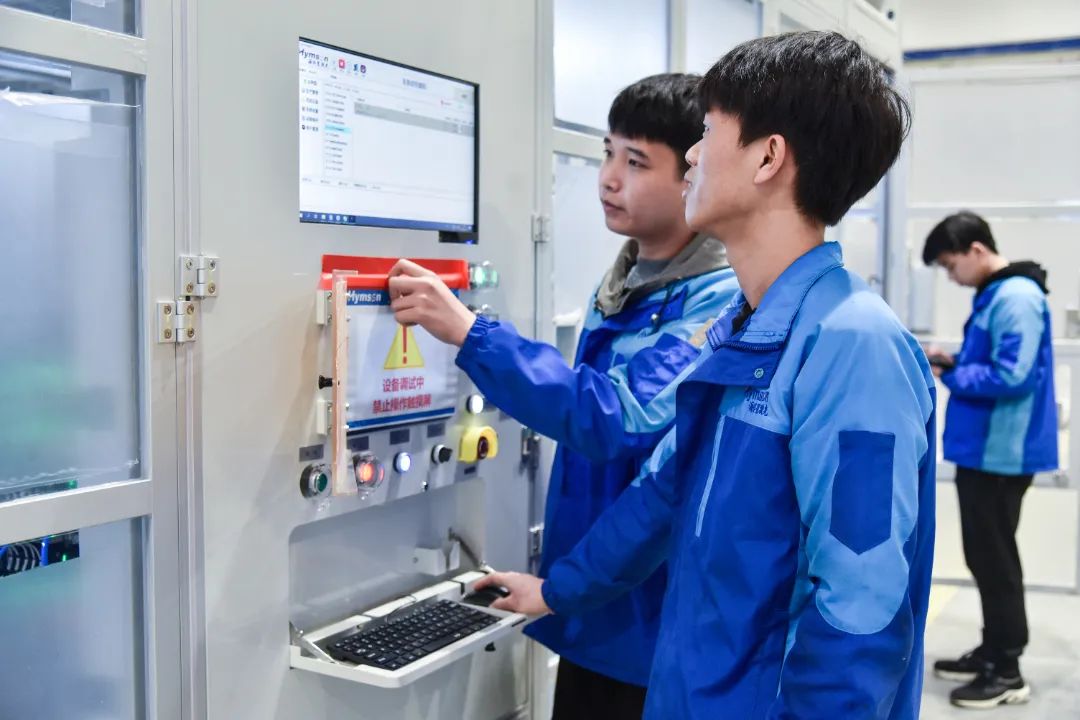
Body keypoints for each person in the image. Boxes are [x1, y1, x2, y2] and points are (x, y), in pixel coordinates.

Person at [474, 31, 937, 719]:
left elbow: (859, 610)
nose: (692, 154)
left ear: (768, 157)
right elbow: (660, 497)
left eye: (709, 131)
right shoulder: (743, 329)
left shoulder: (853, 345)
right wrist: (555, 591)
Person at [388, 73, 739, 718]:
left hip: (655, 627)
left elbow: (616, 416)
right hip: (590, 604)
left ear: (693, 172)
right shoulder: (625, 285)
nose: (608, 179)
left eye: (636, 162)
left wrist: (471, 333)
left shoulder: (719, 301)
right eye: (608, 153)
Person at [922, 211, 1057, 709]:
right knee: (984, 556)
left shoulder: (1016, 297)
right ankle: (992, 649)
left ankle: (1007, 669)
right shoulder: (997, 295)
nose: (951, 276)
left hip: (1002, 453)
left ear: (976, 250)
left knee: (996, 560)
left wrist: (953, 376)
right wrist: (956, 362)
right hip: (984, 450)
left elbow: (1012, 375)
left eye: (950, 264)